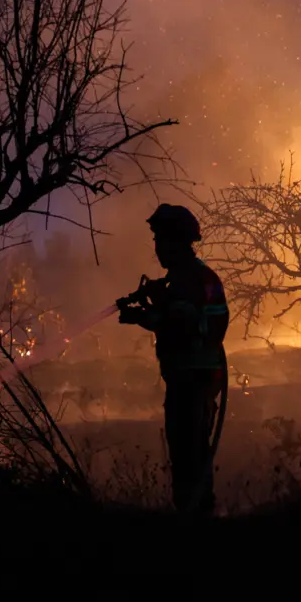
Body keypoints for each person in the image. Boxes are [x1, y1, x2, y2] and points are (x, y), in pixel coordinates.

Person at [117, 204, 229, 516]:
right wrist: (147, 312)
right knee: (187, 452)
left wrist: (152, 309)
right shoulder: (186, 278)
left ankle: (196, 518)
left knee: (189, 453)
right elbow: (175, 318)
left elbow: (182, 324)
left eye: (161, 240)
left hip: (194, 379)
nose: (157, 248)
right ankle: (194, 514)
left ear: (178, 242)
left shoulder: (191, 280)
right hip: (190, 377)